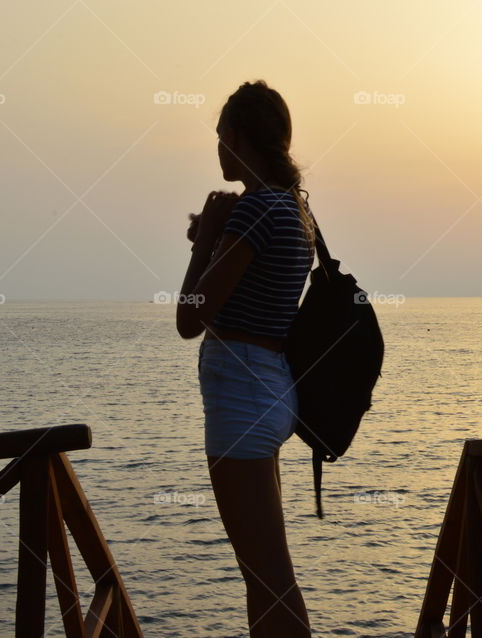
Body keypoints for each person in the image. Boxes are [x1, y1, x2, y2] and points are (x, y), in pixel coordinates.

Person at [176, 80, 315, 637]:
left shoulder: (255, 211)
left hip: (242, 403)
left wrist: (206, 238)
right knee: (262, 578)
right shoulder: (292, 208)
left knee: (269, 579)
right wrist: (214, 240)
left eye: (218, 135)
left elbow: (190, 319)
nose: (216, 148)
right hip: (269, 392)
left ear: (235, 137)